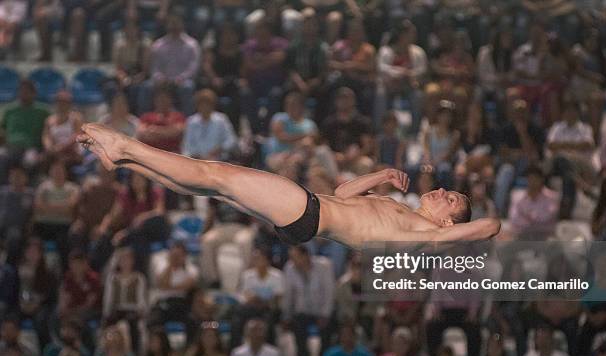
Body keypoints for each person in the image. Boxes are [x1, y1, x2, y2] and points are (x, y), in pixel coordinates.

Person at [79, 123, 501, 250]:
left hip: (308, 212)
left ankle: (126, 145)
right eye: (449, 190)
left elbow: (490, 226)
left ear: (448, 223)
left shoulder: (427, 235)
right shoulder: (405, 215)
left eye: (451, 200)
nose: (443, 191)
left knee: (215, 174)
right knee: (209, 187)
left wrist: (461, 225)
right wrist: (382, 177)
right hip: (310, 215)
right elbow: (345, 192)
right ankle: (128, 161)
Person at [139, 14, 200, 115]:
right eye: (172, 24)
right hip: (163, 81)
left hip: (182, 81)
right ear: (167, 26)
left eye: (177, 24)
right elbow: (154, 67)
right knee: (146, 87)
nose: (174, 27)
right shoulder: (159, 44)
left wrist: (180, 78)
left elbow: (193, 67)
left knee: (187, 88)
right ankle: (143, 120)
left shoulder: (192, 45)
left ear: (182, 25)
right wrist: (159, 78)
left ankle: (186, 122)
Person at [231, 247, 284, 348]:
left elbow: (278, 296)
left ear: (267, 260)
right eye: (255, 259)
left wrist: (264, 301)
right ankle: (234, 348)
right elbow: (244, 294)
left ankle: (270, 350)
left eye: (260, 258)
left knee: (269, 321)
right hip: (251, 308)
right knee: (237, 318)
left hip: (268, 308)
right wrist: (252, 299)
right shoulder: (247, 275)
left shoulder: (277, 276)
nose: (257, 261)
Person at [32, 159, 80, 269]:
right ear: (50, 172)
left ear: (65, 172)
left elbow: (71, 207)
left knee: (64, 244)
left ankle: (64, 275)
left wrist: (48, 206)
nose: (57, 173)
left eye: (60, 171)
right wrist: (62, 207)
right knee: (33, 244)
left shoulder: (73, 188)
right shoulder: (43, 187)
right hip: (43, 225)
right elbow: (38, 206)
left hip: (63, 226)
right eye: (55, 171)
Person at [0, 80, 49, 177]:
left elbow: (51, 127)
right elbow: (2, 128)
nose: (24, 94)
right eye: (21, 91)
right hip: (10, 147)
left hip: (31, 149)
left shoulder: (42, 111)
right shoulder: (9, 110)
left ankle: (29, 188)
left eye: (27, 92)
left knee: (30, 161)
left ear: (33, 93)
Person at [181, 89, 237, 161]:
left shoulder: (221, 119)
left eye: (208, 104)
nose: (205, 107)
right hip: (197, 161)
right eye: (202, 104)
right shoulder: (191, 121)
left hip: (218, 161)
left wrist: (220, 148)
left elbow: (231, 140)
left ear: (213, 105)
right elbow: (186, 146)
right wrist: (198, 156)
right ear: (197, 105)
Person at [508, 165, 559, 240]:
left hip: (544, 237)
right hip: (522, 236)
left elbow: (545, 218)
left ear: (542, 179)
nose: (532, 181)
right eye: (530, 178)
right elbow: (514, 219)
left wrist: (527, 216)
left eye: (535, 178)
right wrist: (532, 220)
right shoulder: (517, 196)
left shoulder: (552, 197)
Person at [137, 85, 186, 153]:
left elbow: (178, 131)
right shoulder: (146, 116)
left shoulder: (178, 116)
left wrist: (154, 130)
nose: (162, 101)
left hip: (173, 154)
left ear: (170, 100)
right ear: (155, 100)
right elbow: (142, 133)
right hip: (150, 154)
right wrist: (167, 132)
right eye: (159, 98)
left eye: (165, 98)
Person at [0, 165, 33, 266]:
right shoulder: (2, 192)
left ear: (25, 178)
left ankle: (8, 269)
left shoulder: (30, 194)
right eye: (13, 175)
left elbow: (34, 213)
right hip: (2, 226)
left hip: (19, 229)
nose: (16, 178)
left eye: (19, 176)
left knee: (14, 237)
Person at [41, 90, 83, 166]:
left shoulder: (76, 118)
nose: (62, 104)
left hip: (71, 150)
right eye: (59, 102)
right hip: (55, 151)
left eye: (65, 102)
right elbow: (46, 136)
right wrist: (49, 148)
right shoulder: (49, 120)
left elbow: (77, 135)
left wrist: (61, 148)